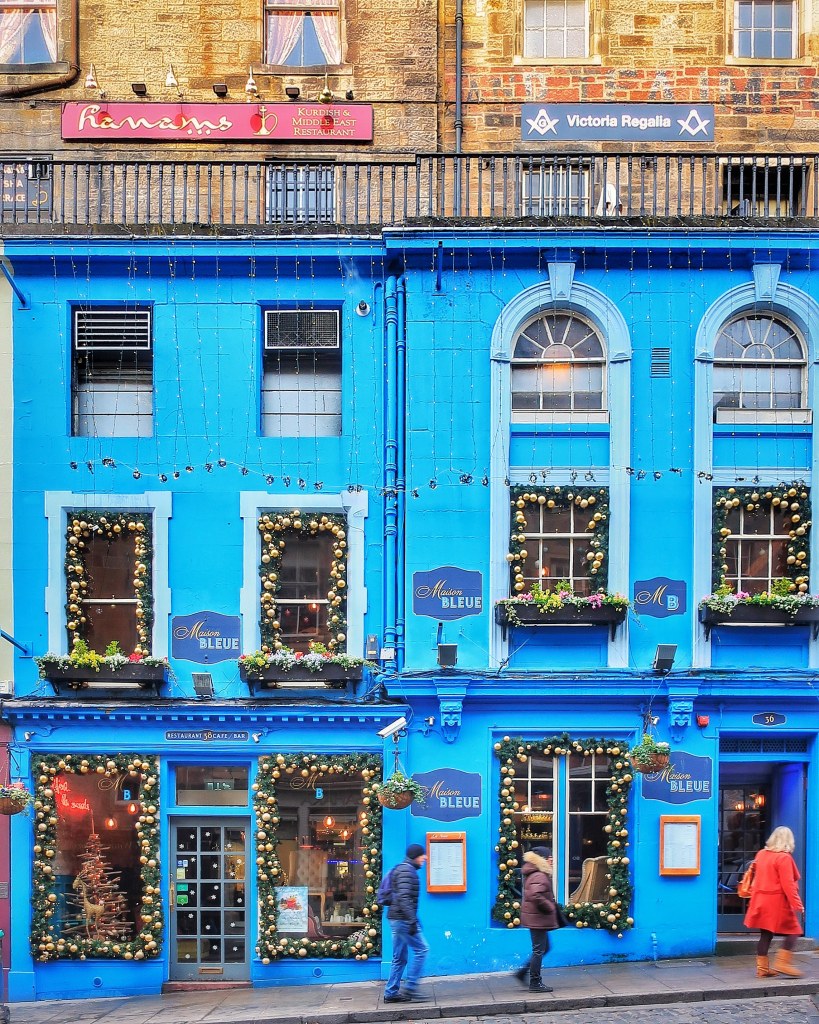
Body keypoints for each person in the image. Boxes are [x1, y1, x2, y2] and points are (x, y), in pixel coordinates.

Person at [744, 825, 804, 978]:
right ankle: (782, 963)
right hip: (776, 902)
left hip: (759, 899)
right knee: (794, 931)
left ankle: (762, 969)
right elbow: (788, 885)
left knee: (766, 934)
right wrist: (798, 905)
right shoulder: (783, 857)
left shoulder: (761, 854)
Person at [383, 843, 431, 1003]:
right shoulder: (406, 871)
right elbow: (404, 898)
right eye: (422, 855)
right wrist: (412, 920)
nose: (425, 858)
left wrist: (414, 920)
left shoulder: (404, 869)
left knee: (399, 957)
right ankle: (410, 988)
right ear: (415, 856)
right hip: (402, 919)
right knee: (422, 949)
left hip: (397, 918)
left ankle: (391, 992)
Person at [514, 846, 558, 993]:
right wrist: (549, 907)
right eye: (550, 857)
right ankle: (535, 982)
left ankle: (522, 973)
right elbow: (535, 895)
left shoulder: (536, 873)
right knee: (539, 950)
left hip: (537, 918)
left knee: (545, 948)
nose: (552, 860)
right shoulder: (539, 875)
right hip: (537, 918)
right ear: (543, 859)